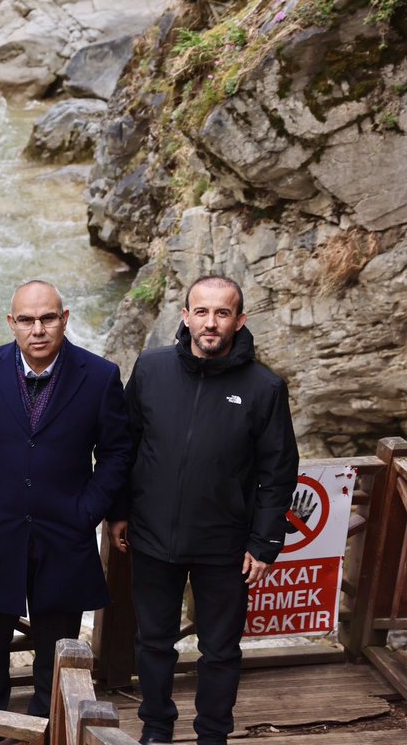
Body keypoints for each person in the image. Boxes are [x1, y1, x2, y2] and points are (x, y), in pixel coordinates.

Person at [107, 275, 298, 745]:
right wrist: (118, 512)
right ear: (186, 316)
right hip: (151, 537)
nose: (210, 323)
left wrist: (265, 542)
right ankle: (156, 727)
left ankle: (213, 734)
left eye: (222, 313)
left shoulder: (264, 387)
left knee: (220, 650)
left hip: (225, 545)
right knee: (153, 643)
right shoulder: (151, 369)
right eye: (202, 312)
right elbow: (124, 446)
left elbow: (278, 471)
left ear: (239, 320)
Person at [0, 280, 131, 745]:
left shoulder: (99, 376)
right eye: (27, 320)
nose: (38, 329)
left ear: (65, 318)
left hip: (64, 530)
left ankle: (47, 726)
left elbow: (116, 453)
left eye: (48, 318)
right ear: (11, 324)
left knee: (57, 643)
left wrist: (88, 509)